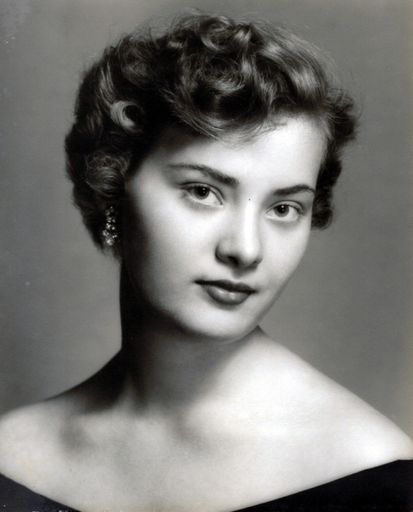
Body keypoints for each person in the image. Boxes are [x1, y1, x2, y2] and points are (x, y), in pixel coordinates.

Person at [0, 13, 412, 512]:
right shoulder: (12, 458)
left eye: (284, 208)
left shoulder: (374, 477)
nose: (246, 249)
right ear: (112, 186)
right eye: (202, 191)